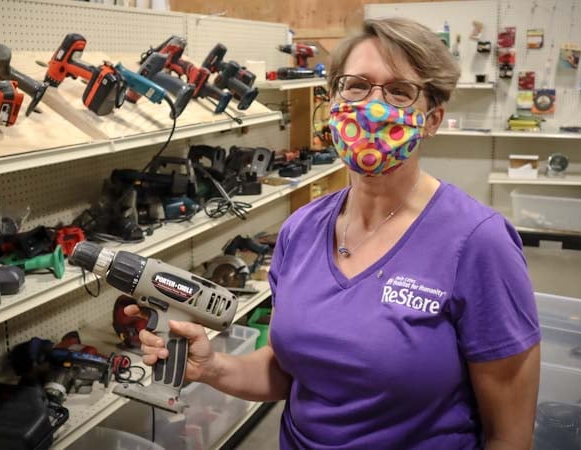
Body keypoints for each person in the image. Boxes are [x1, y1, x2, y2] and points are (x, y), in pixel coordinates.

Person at [126, 17, 541, 450]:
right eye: (356, 85)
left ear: (432, 119)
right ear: (333, 100)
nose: (373, 106)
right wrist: (213, 367)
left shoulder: (477, 242)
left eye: (399, 91)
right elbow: (293, 371)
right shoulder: (300, 231)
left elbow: (509, 435)